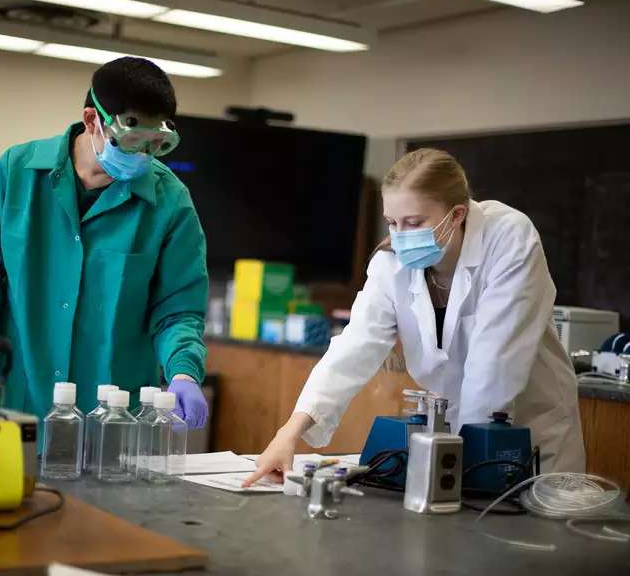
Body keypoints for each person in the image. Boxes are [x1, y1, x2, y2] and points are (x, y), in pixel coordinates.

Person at [244, 148, 585, 486]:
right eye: (393, 223)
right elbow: (353, 348)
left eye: (414, 222)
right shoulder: (391, 263)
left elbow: (494, 367)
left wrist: (454, 463)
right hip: (453, 439)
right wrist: (290, 432)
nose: (401, 236)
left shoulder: (508, 238)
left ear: (456, 215)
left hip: (532, 438)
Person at [0, 57, 209, 431]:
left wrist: (183, 371)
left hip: (113, 418)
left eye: (153, 146)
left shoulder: (169, 201)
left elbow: (177, 309)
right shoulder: (16, 173)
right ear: (92, 121)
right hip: (19, 398)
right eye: (131, 142)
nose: (141, 158)